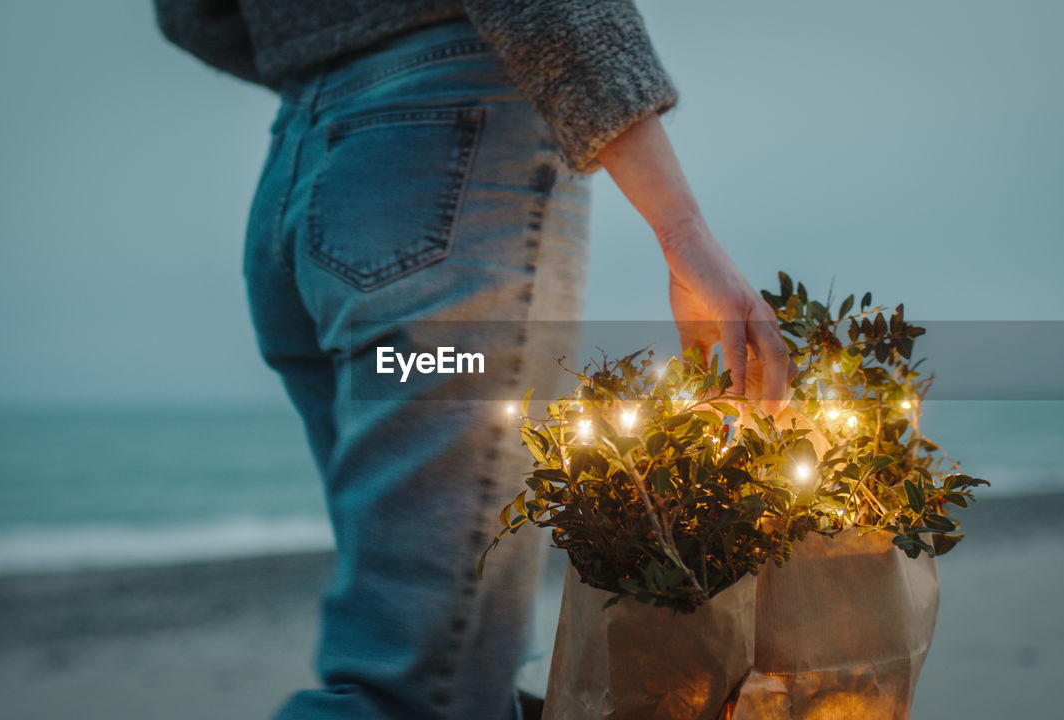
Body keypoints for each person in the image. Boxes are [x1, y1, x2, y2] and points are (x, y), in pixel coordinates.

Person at [154, 2, 793, 718]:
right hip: (444, 157)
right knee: (420, 692)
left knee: (453, 665)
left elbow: (190, 15)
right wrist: (682, 230)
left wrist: (335, 51)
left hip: (307, 175)